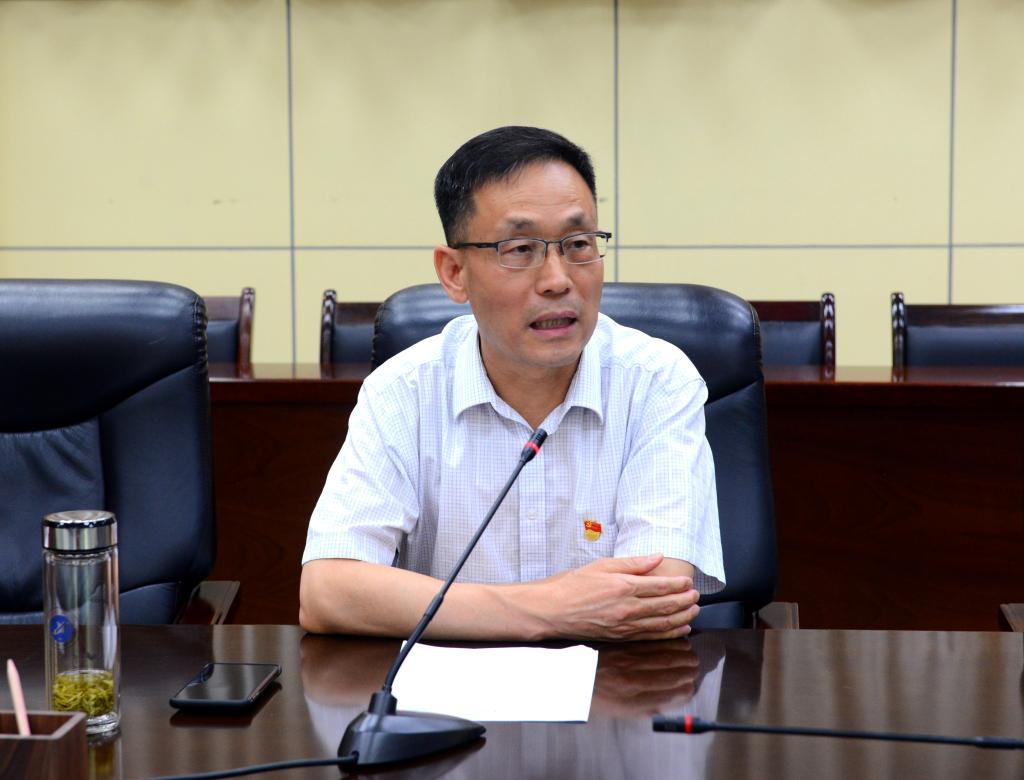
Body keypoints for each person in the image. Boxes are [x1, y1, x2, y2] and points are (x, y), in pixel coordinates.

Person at [300, 126, 724, 641]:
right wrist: (550, 609)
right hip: (446, 688)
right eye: (520, 249)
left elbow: (656, 596)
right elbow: (327, 591)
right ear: (454, 272)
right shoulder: (404, 391)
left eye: (578, 244)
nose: (558, 280)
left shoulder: (656, 382)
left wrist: (473, 610)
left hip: (613, 684)